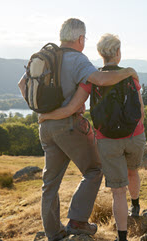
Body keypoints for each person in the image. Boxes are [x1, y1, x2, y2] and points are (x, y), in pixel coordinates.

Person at [18, 19, 139, 241]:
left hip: (45, 127)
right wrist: (128, 72)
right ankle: (77, 221)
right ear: (80, 39)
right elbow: (101, 79)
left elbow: (22, 85)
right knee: (95, 169)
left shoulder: (45, 57)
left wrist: (43, 112)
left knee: (50, 183)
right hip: (69, 125)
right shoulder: (77, 59)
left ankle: (54, 233)